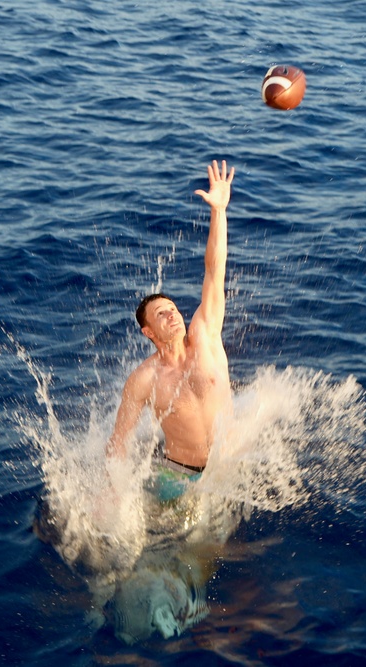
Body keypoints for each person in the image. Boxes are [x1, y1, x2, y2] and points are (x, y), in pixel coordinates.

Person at [106, 160, 236, 500]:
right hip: (177, 477)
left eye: (174, 309)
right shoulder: (144, 379)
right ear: (148, 332)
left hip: (228, 468)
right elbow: (119, 443)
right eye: (162, 314)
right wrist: (110, 494)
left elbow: (214, 270)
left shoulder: (205, 334)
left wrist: (219, 212)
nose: (174, 315)